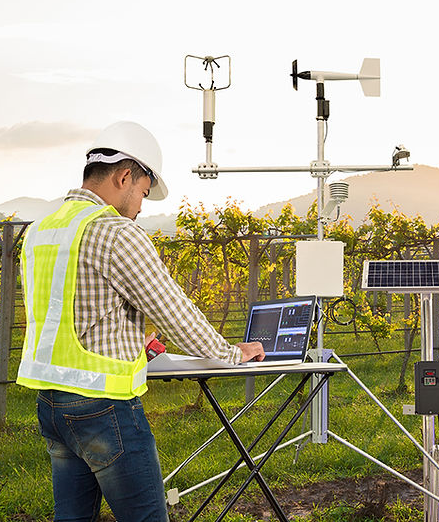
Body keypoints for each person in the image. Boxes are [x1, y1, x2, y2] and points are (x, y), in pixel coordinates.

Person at [16, 121, 264, 522]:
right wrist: (231, 353)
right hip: (104, 408)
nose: (141, 207)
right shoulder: (115, 232)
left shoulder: (41, 230)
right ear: (125, 176)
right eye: (144, 193)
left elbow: (69, 313)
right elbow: (175, 311)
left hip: (51, 406)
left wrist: (129, 341)